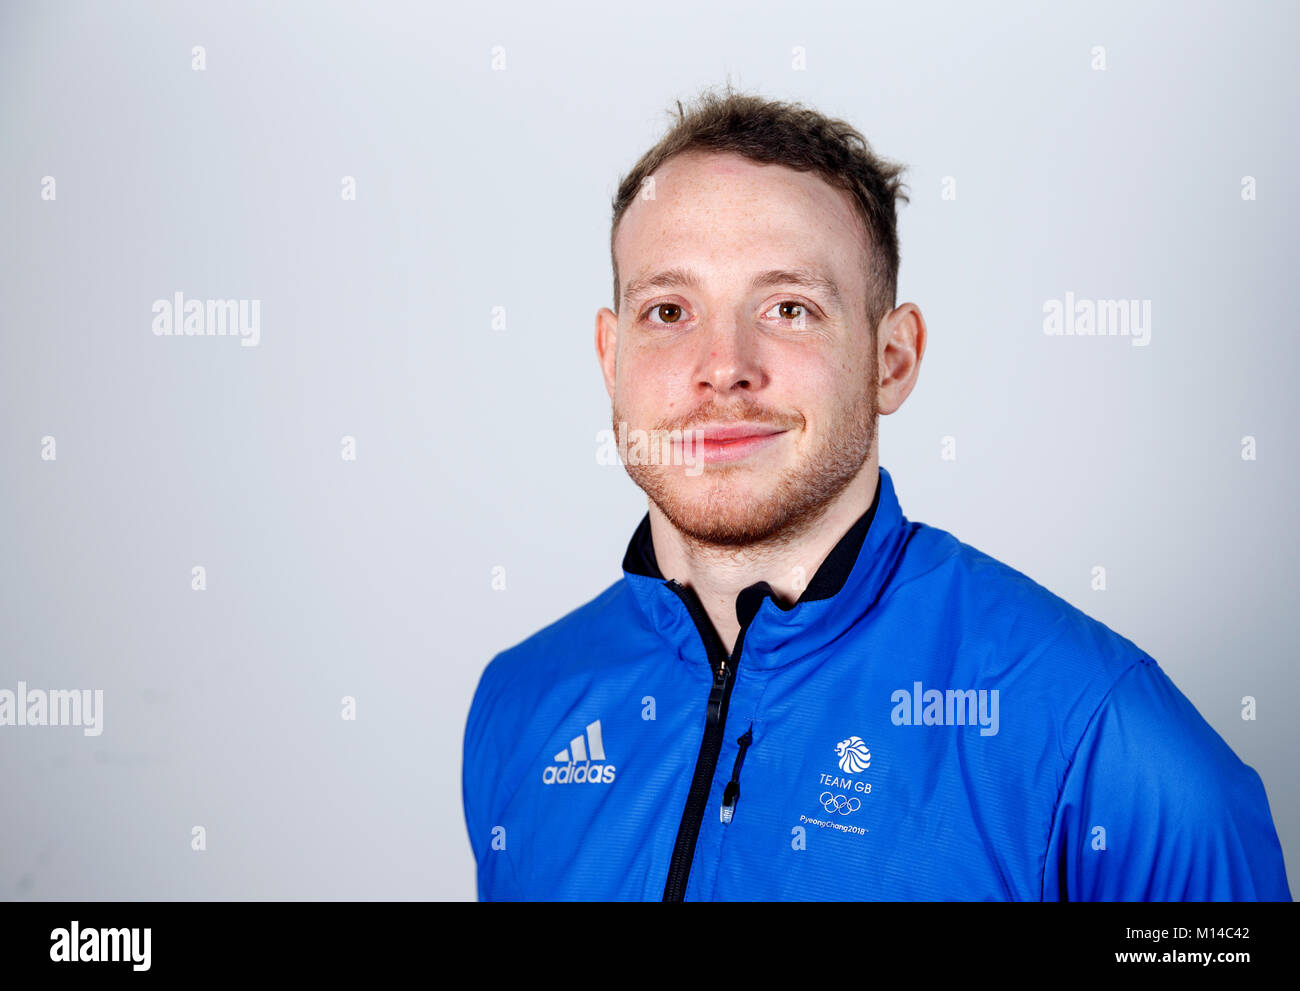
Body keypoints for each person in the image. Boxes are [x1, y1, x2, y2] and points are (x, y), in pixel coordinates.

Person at [461, 86, 1291, 901]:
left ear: (892, 359)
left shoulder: (1097, 739)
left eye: (789, 306)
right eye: (669, 309)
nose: (723, 365)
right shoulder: (521, 704)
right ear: (611, 357)